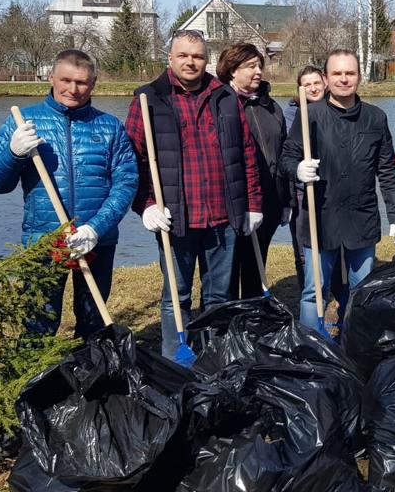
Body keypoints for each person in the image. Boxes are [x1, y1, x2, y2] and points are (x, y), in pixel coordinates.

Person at [125, 30, 263, 358]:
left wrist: (254, 203)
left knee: (219, 296)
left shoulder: (225, 97)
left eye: (198, 56)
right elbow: (132, 159)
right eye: (183, 55)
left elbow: (246, 153)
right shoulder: (148, 98)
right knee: (177, 296)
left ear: (207, 60)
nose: (191, 62)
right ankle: (177, 360)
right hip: (176, 219)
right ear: (170, 58)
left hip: (223, 216)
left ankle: (213, 358)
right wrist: (145, 204)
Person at [0, 49, 138, 339]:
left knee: (93, 322)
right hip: (42, 241)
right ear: (51, 76)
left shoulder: (110, 127)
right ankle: (35, 383)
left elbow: (125, 183)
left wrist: (96, 228)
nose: (72, 89)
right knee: (37, 325)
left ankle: (88, 379)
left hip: (96, 242)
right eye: (65, 80)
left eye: (81, 82)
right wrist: (13, 154)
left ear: (93, 83)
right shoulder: (23, 122)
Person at [283, 49, 395, 330]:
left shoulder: (375, 118)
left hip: (361, 218)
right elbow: (287, 157)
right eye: (337, 74)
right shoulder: (309, 116)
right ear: (326, 78)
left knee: (361, 291)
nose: (343, 79)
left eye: (349, 73)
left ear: (359, 77)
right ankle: (311, 352)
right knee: (313, 292)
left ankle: (353, 345)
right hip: (320, 218)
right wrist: (298, 169)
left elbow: (387, 170)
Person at [217, 43, 290, 300]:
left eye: (260, 66)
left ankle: (250, 322)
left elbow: (283, 155)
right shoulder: (219, 106)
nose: (258, 71)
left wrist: (285, 201)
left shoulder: (271, 107)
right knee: (225, 273)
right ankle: (224, 325)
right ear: (231, 71)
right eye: (250, 67)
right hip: (231, 206)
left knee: (255, 267)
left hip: (268, 202)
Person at [284, 66, 344, 301]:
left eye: (316, 83)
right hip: (302, 192)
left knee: (335, 244)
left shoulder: (337, 109)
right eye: (306, 85)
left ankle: (339, 294)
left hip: (332, 190)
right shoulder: (291, 115)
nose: (312, 88)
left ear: (325, 83)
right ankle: (311, 295)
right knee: (305, 248)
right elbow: (287, 156)